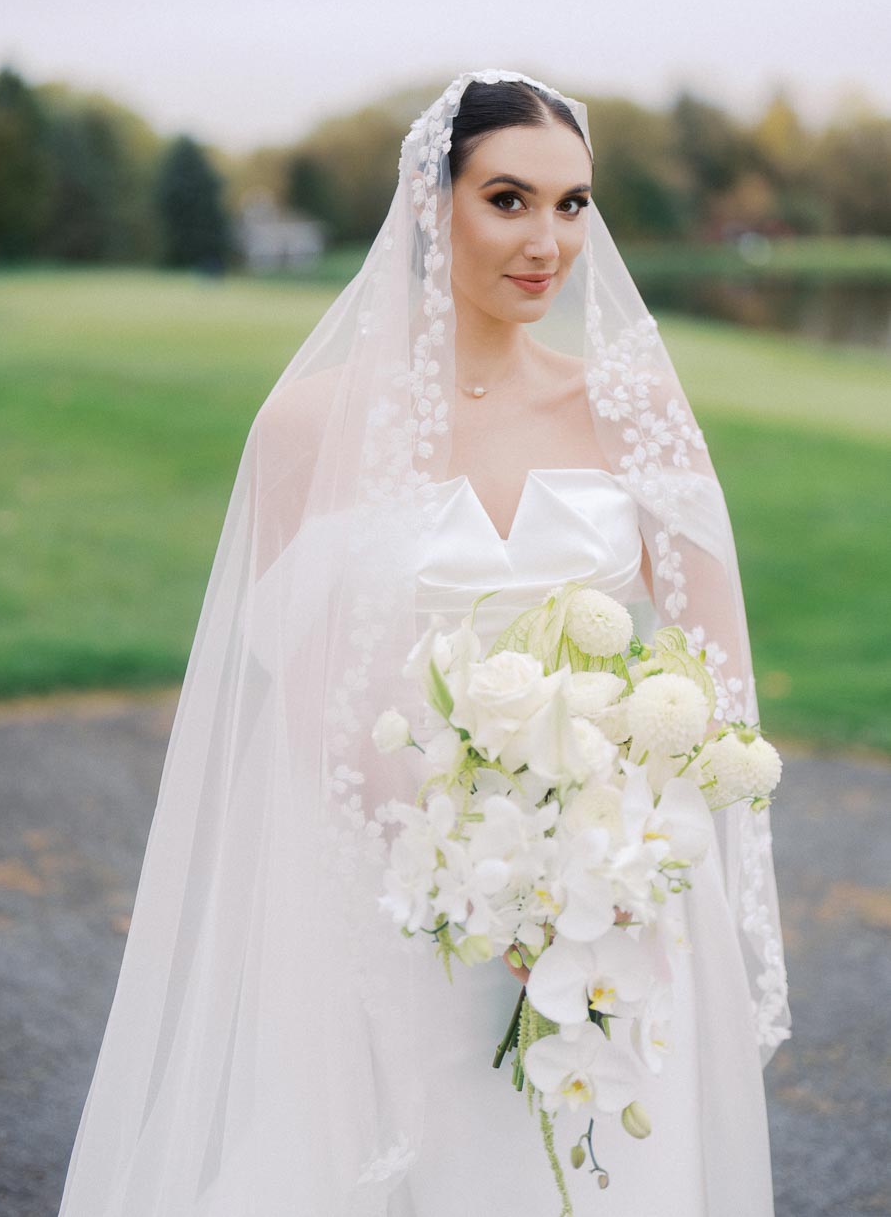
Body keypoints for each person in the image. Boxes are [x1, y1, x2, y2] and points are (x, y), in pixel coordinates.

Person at [57, 70, 790, 1217]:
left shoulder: (634, 411)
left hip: (617, 898)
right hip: (403, 892)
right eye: (510, 199)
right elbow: (310, 695)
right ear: (425, 202)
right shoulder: (310, 428)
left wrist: (600, 865)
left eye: (573, 204)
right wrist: (472, 880)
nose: (549, 240)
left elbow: (715, 681)